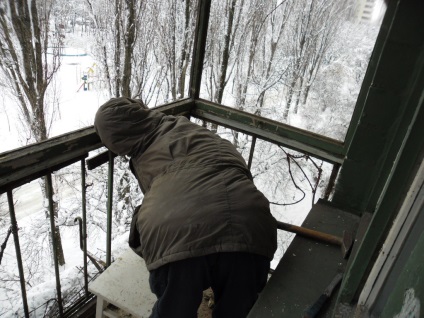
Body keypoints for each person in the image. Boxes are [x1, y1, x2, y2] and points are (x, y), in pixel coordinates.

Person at [94, 97, 277, 318]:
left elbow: (167, 201)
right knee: (238, 309)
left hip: (178, 233)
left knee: (173, 310)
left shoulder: (144, 152)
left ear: (115, 141)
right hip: (250, 221)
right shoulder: (183, 125)